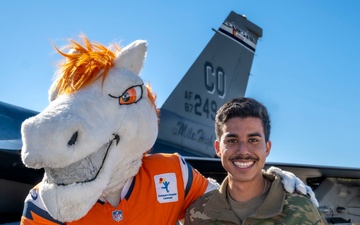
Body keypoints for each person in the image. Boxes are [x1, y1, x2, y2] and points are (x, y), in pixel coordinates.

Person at [184, 97, 327, 225]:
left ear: (267, 148)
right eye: (232, 140)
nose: (243, 151)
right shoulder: (197, 214)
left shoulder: (302, 210)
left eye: (253, 140)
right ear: (218, 148)